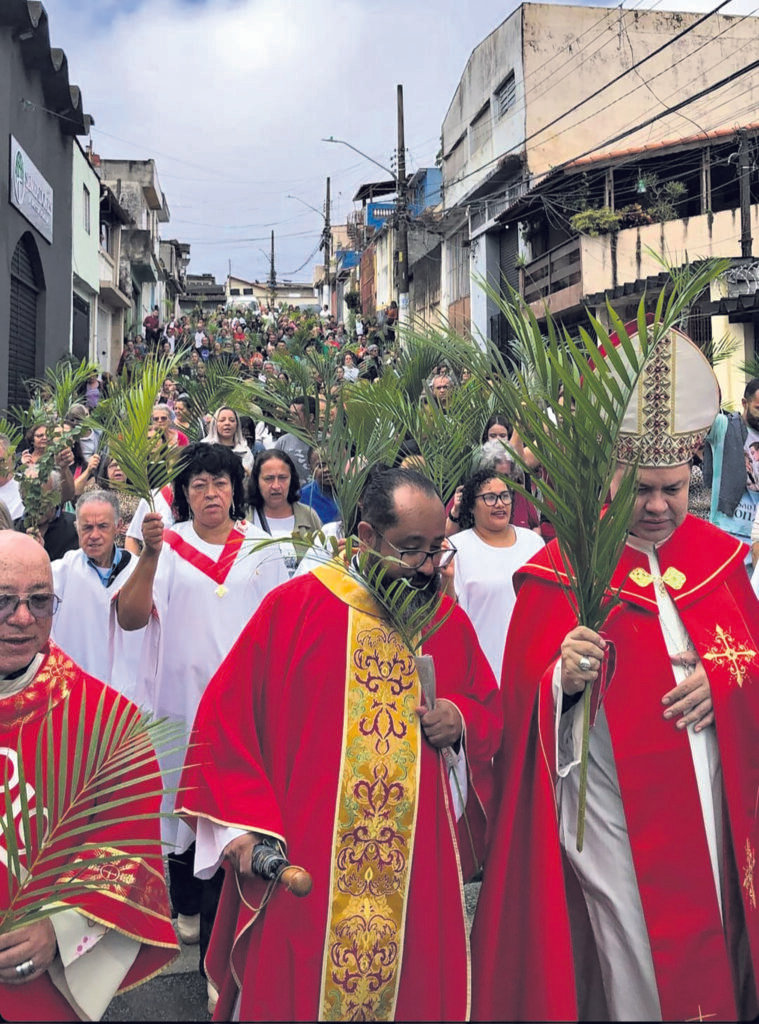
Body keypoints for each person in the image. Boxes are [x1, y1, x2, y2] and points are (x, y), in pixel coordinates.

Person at [472, 324, 759, 1021]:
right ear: (611, 480)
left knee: (718, 934)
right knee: (631, 952)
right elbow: (525, 711)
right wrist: (560, 680)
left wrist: (724, 687)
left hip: (715, 802)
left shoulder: (721, 558)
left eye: (674, 489)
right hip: (609, 814)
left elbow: (748, 656)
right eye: (642, 492)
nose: (659, 507)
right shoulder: (560, 572)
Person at [177, 466, 501, 1020]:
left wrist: (459, 719)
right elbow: (223, 723)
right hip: (310, 867)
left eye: (437, 549)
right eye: (413, 550)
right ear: (367, 538)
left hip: (415, 870)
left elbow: (488, 708)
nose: (428, 568)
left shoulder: (442, 618)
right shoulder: (296, 609)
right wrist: (241, 831)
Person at [115, 444, 287, 998]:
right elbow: (132, 618)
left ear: (236, 489)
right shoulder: (168, 547)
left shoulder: (262, 549)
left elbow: (281, 627)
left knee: (231, 820)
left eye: (219, 483)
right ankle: (185, 906)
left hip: (242, 712)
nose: (210, 494)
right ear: (184, 495)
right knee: (185, 816)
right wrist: (147, 556)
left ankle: (219, 961)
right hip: (180, 705)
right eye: (198, 485)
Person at [0, 531, 177, 1021]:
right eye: (3, 601)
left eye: (39, 601)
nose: (22, 618)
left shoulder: (106, 720)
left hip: (30, 978)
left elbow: (128, 843)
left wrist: (58, 928)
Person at [51, 490, 144, 702]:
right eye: (87, 527)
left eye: (102, 526)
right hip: (76, 695)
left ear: (118, 526)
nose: (94, 535)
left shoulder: (139, 573)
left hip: (130, 695)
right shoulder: (60, 573)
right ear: (77, 528)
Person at [451, 469, 543, 680]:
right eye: (490, 498)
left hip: (529, 669)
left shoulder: (533, 543)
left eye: (505, 496)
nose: (500, 504)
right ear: (471, 505)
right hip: (482, 671)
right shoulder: (458, 547)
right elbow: (451, 612)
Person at [705, 378, 759, 564]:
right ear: (744, 403)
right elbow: (700, 413)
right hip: (727, 534)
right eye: (758, 408)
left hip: (756, 538)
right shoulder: (724, 426)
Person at [247, 451, 322, 576]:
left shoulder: (308, 516)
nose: (276, 486)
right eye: (269, 479)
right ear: (257, 481)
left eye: (282, 478)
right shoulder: (244, 519)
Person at [273, 395, 315, 486]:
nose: (289, 418)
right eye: (289, 414)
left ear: (310, 417)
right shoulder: (283, 442)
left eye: (295, 415)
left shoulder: (326, 442)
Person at [202, 407, 254, 474]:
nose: (227, 423)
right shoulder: (204, 448)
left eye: (232, 420)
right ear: (215, 424)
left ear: (237, 425)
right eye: (222, 420)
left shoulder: (245, 451)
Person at [299, 446, 340, 526]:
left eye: (334, 464)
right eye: (321, 465)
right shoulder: (303, 497)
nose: (328, 469)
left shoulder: (354, 493)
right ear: (311, 469)